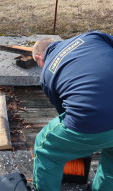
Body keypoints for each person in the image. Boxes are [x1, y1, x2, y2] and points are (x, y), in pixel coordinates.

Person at [32, 31, 113, 191]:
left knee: (44, 146)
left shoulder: (47, 72)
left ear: (40, 58)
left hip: (92, 121)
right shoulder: (92, 36)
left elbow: (64, 114)